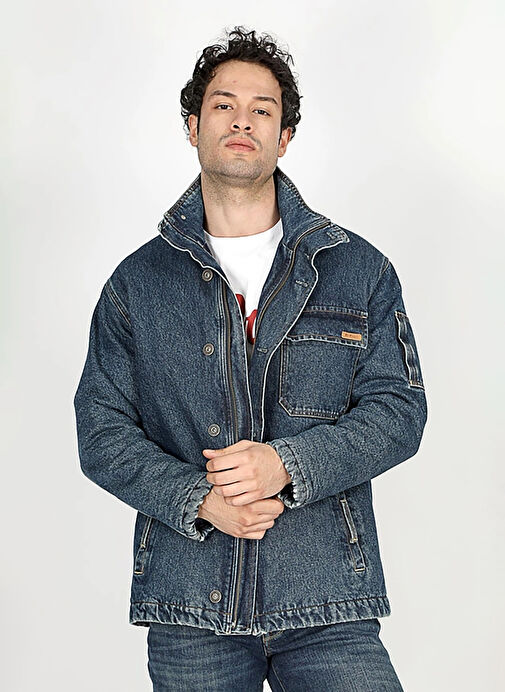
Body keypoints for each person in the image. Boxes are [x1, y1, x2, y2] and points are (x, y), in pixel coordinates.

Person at [74, 25, 427, 691]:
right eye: (223, 105)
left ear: (284, 136)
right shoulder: (136, 285)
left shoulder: (357, 270)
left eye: (262, 110)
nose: (242, 121)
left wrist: (285, 465)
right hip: (190, 608)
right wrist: (200, 499)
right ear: (192, 126)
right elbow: (101, 433)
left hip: (328, 601)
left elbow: (399, 412)